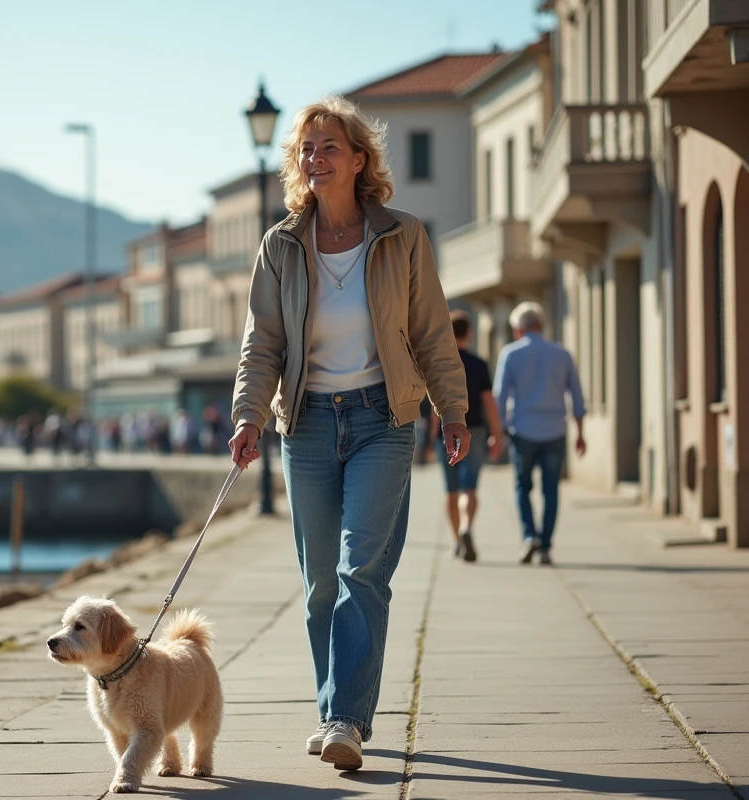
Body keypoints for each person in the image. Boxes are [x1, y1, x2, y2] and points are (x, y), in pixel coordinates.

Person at [228, 95, 469, 772]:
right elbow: (262, 344)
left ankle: (345, 720)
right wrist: (248, 416)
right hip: (305, 426)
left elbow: (428, 330)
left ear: (360, 159)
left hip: (381, 419)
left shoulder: (402, 235)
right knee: (318, 586)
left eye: (329, 145)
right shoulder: (280, 246)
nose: (315, 157)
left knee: (361, 567)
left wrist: (453, 408)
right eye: (306, 147)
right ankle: (335, 704)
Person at [493, 301, 587, 566]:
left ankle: (528, 536)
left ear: (519, 329)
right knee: (551, 490)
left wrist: (498, 432)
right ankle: (545, 546)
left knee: (522, 486)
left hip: (522, 430)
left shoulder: (510, 354)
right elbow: (577, 396)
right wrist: (580, 432)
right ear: (541, 325)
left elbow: (500, 396)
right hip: (555, 429)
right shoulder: (562, 354)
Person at [427, 310, 504, 562]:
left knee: (451, 490)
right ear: (469, 333)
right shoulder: (479, 364)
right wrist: (497, 434)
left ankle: (457, 540)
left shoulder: (441, 362)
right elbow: (488, 403)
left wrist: (430, 438)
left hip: (445, 433)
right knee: (469, 487)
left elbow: (436, 405)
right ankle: (466, 527)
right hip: (476, 432)